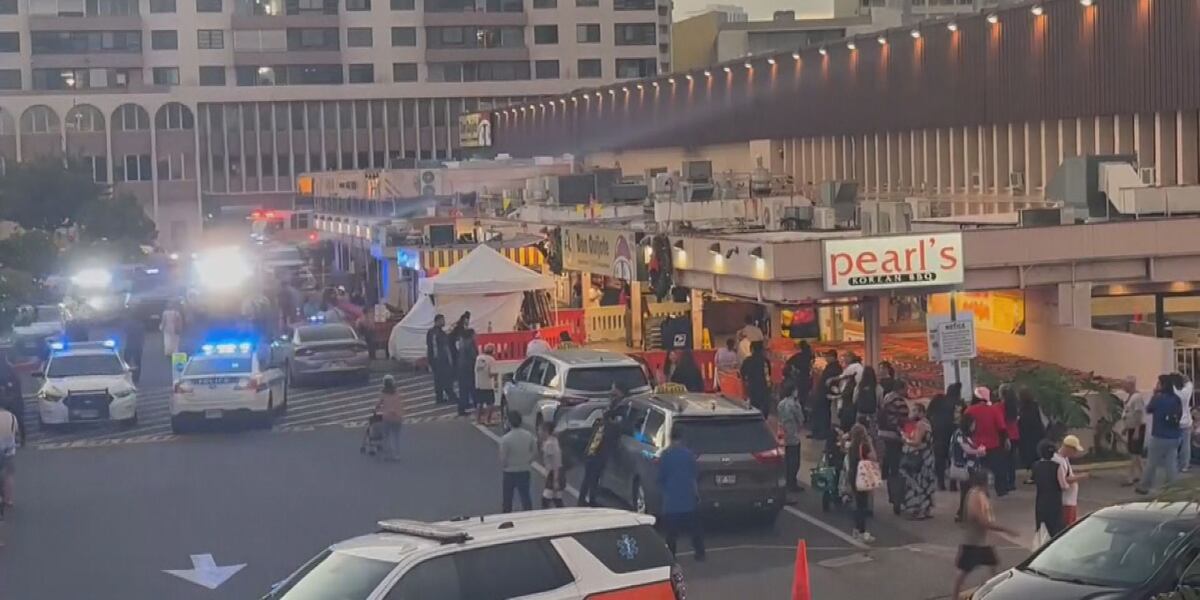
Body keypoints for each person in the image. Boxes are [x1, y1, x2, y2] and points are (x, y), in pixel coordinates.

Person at [952, 469, 1017, 600]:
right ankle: (955, 597)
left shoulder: (981, 494)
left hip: (982, 541)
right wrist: (1005, 529)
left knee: (992, 565)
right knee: (964, 571)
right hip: (973, 541)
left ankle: (991, 594)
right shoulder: (975, 495)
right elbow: (981, 520)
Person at [578, 383, 630, 507]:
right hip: (596, 445)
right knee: (591, 474)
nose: (611, 396)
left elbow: (617, 425)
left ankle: (590, 499)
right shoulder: (611, 407)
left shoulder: (621, 408)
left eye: (614, 393)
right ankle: (584, 499)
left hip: (602, 446)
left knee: (594, 475)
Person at [658, 427, 706, 560]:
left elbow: (661, 478)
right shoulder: (688, 455)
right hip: (688, 499)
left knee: (671, 533)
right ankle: (700, 553)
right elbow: (694, 477)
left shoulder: (666, 455)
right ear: (681, 438)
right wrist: (697, 495)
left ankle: (671, 557)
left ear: (670, 438)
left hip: (671, 501)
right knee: (695, 530)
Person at [1137, 374, 1184, 495]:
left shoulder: (1157, 398)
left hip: (1159, 435)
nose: (1156, 385)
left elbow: (1148, 410)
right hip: (1174, 436)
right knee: (1171, 463)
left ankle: (1144, 486)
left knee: (1152, 462)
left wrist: (1154, 394)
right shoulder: (1176, 399)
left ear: (1162, 385)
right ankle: (1174, 488)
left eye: (1158, 383)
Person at [964, 387, 1008, 496]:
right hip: (993, 444)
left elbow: (964, 427)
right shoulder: (993, 409)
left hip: (975, 445)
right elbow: (1001, 427)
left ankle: (978, 491)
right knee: (998, 469)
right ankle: (1001, 490)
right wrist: (1004, 441)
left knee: (976, 470)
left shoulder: (969, 410)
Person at [900, 403, 936, 520]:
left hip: (921, 457)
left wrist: (905, 439)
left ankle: (919, 509)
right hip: (928, 456)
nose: (912, 413)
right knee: (927, 482)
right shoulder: (927, 423)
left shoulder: (921, 424)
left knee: (919, 483)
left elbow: (916, 442)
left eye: (915, 410)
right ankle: (927, 509)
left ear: (921, 412)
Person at [877, 382, 909, 508]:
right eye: (906, 388)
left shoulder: (887, 397)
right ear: (901, 389)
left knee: (890, 461)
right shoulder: (899, 401)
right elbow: (902, 420)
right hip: (894, 436)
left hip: (884, 433)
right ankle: (897, 497)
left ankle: (891, 490)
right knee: (897, 467)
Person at [928, 383, 964, 491]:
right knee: (953, 456)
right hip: (953, 432)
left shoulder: (938, 399)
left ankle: (941, 482)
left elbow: (928, 413)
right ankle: (953, 484)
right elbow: (959, 419)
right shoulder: (959, 403)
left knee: (940, 458)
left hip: (938, 432)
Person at [498, 411, 537, 512]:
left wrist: (505, 465)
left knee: (507, 498)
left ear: (509, 422)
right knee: (525, 496)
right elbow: (535, 452)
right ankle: (529, 515)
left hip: (510, 471)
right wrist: (528, 461)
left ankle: (507, 517)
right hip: (524, 469)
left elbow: (503, 458)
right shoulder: (529, 435)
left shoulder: (505, 439)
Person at [952, 415, 986, 522]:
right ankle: (963, 514)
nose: (974, 427)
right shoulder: (959, 435)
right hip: (965, 468)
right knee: (967, 491)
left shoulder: (964, 435)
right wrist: (978, 451)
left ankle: (963, 513)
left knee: (967, 491)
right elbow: (967, 450)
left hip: (970, 466)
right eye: (973, 424)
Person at [847, 423, 877, 543]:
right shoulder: (864, 446)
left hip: (853, 475)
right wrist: (870, 443)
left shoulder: (851, 446)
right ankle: (862, 531)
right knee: (862, 505)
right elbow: (873, 457)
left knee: (858, 503)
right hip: (862, 476)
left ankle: (856, 529)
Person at [1053, 435, 1088, 528]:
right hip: (1066, 501)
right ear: (1068, 448)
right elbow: (1064, 479)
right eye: (1074, 450)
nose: (1075, 453)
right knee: (1067, 526)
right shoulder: (1059, 461)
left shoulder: (1065, 459)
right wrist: (1081, 477)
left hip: (1071, 500)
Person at [1031, 440, 1065, 536]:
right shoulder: (1057, 466)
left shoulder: (1035, 466)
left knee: (1042, 528)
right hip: (1055, 500)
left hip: (1041, 500)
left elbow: (1034, 479)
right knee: (1056, 528)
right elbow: (1063, 485)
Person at [1119, 377, 1146, 487]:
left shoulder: (1137, 398)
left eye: (1124, 385)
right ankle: (1143, 476)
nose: (1123, 387)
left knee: (1134, 454)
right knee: (1136, 453)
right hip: (1132, 428)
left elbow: (1139, 415)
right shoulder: (1130, 397)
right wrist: (1126, 428)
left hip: (1137, 428)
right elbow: (1129, 413)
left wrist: (1136, 431)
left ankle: (1130, 477)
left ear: (1130, 385)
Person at [426, 314, 457, 406]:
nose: (444, 322)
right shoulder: (434, 333)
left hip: (442, 360)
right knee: (443, 379)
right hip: (439, 361)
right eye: (442, 320)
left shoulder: (441, 333)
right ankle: (448, 396)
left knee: (441, 379)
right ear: (438, 321)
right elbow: (434, 347)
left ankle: (442, 397)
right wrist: (434, 360)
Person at [1017, 387, 1047, 484]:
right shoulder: (1036, 406)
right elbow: (1044, 420)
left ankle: (1035, 476)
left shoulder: (1021, 408)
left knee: (1030, 456)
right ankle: (1038, 476)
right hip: (1038, 434)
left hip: (1026, 436)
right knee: (1037, 455)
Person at [810, 350, 842, 440]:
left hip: (826, 394)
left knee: (823, 414)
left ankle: (822, 432)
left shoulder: (835, 368)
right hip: (821, 393)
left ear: (833, 357)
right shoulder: (829, 367)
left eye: (828, 356)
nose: (826, 358)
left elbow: (833, 382)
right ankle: (817, 431)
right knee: (818, 412)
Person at [777, 389, 805, 493]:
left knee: (787, 460)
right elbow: (800, 419)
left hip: (783, 433)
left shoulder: (781, 403)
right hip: (793, 434)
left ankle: (787, 481)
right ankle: (792, 483)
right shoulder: (794, 404)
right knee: (794, 461)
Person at [739, 341, 771, 416]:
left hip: (753, 387)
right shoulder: (765, 361)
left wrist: (746, 382)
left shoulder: (748, 361)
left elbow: (742, 373)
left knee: (754, 406)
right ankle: (764, 419)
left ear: (752, 349)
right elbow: (768, 374)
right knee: (765, 405)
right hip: (764, 387)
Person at [999, 384, 1021, 494]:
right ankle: (1012, 482)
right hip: (1015, 435)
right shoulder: (1015, 406)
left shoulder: (1001, 406)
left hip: (1005, 436)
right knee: (1011, 460)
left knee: (1004, 461)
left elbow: (1000, 422)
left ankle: (1005, 482)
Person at [377, 375, 405, 460]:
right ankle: (397, 454)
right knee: (396, 436)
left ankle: (387, 454)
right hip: (397, 417)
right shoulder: (397, 392)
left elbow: (378, 404)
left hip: (387, 417)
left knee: (386, 436)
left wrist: (376, 408)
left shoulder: (383, 393)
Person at [784, 340, 814, 416]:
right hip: (808, 379)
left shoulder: (798, 356)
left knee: (799, 396)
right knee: (804, 396)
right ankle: (803, 412)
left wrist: (793, 370)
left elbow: (788, 363)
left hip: (800, 378)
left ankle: (799, 413)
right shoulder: (811, 356)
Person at [540, 420, 565, 508]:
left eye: (541, 430)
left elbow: (555, 463)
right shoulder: (554, 440)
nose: (540, 432)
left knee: (545, 500)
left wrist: (555, 480)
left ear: (546, 431)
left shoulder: (549, 444)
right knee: (557, 499)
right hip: (558, 472)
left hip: (553, 473)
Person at [454, 328, 478, 417]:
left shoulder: (462, 343)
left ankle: (462, 408)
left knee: (463, 390)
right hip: (468, 368)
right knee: (473, 388)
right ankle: (477, 406)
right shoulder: (470, 343)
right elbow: (473, 356)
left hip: (461, 368)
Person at [474, 343, 498, 425]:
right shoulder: (491, 360)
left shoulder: (478, 358)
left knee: (479, 403)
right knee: (490, 403)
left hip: (478, 384)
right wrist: (496, 375)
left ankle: (478, 420)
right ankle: (488, 420)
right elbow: (491, 373)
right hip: (488, 385)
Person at [0, 404, 17, 516]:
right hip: (9, 450)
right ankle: (8, 499)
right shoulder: (12, 417)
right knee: (9, 474)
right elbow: (15, 431)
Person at [1176, 375, 1194, 473]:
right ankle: (1185, 464)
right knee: (1185, 445)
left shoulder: (1176, 392)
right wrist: (1183, 377)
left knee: (1176, 444)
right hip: (1186, 421)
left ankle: (1177, 463)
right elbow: (1189, 383)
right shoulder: (1186, 391)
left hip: (1177, 421)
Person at [122, 315, 145, 384]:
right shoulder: (141, 325)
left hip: (129, 345)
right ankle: (136, 377)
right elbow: (142, 336)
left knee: (126, 362)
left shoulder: (129, 324)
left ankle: (126, 375)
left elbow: (125, 331)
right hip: (138, 346)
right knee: (137, 362)